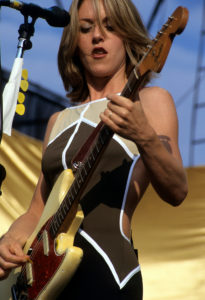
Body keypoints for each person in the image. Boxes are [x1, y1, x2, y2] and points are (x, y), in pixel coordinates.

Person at [0, 0, 188, 299]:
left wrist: (145, 136)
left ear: (127, 35)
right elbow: (37, 211)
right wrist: (9, 239)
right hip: (44, 282)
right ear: (73, 40)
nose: (97, 36)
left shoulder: (151, 101)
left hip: (107, 272)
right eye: (86, 28)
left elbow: (177, 190)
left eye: (110, 27)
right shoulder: (57, 121)